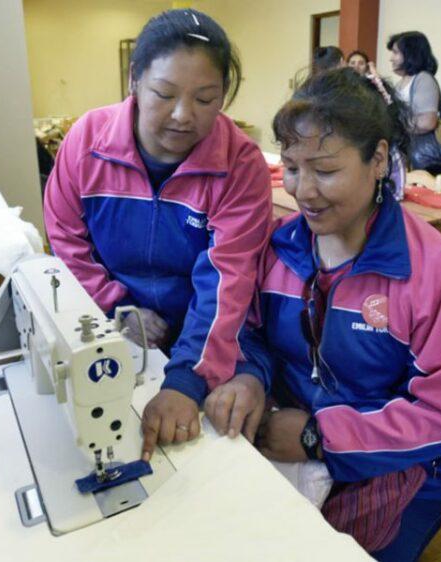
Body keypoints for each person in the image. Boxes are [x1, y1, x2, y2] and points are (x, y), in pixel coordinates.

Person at [229, 68, 441, 560]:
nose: (303, 191)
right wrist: (250, 380)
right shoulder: (279, 250)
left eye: (324, 171)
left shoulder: (432, 272)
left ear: (380, 158)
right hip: (287, 433)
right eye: (293, 168)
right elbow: (251, 335)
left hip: (402, 463)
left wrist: (318, 436)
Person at [43, 9, 272, 457]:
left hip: (208, 330)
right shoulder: (86, 143)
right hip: (113, 317)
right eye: (164, 94)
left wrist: (187, 379)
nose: (183, 116)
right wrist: (115, 304)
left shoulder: (240, 165)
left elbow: (227, 282)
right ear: (134, 80)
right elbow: (66, 241)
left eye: (206, 99)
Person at [386, 31, 441, 183]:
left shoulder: (423, 79)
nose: (391, 58)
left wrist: (396, 126)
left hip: (427, 157)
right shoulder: (401, 84)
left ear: (410, 54)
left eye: (395, 53)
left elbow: (427, 122)